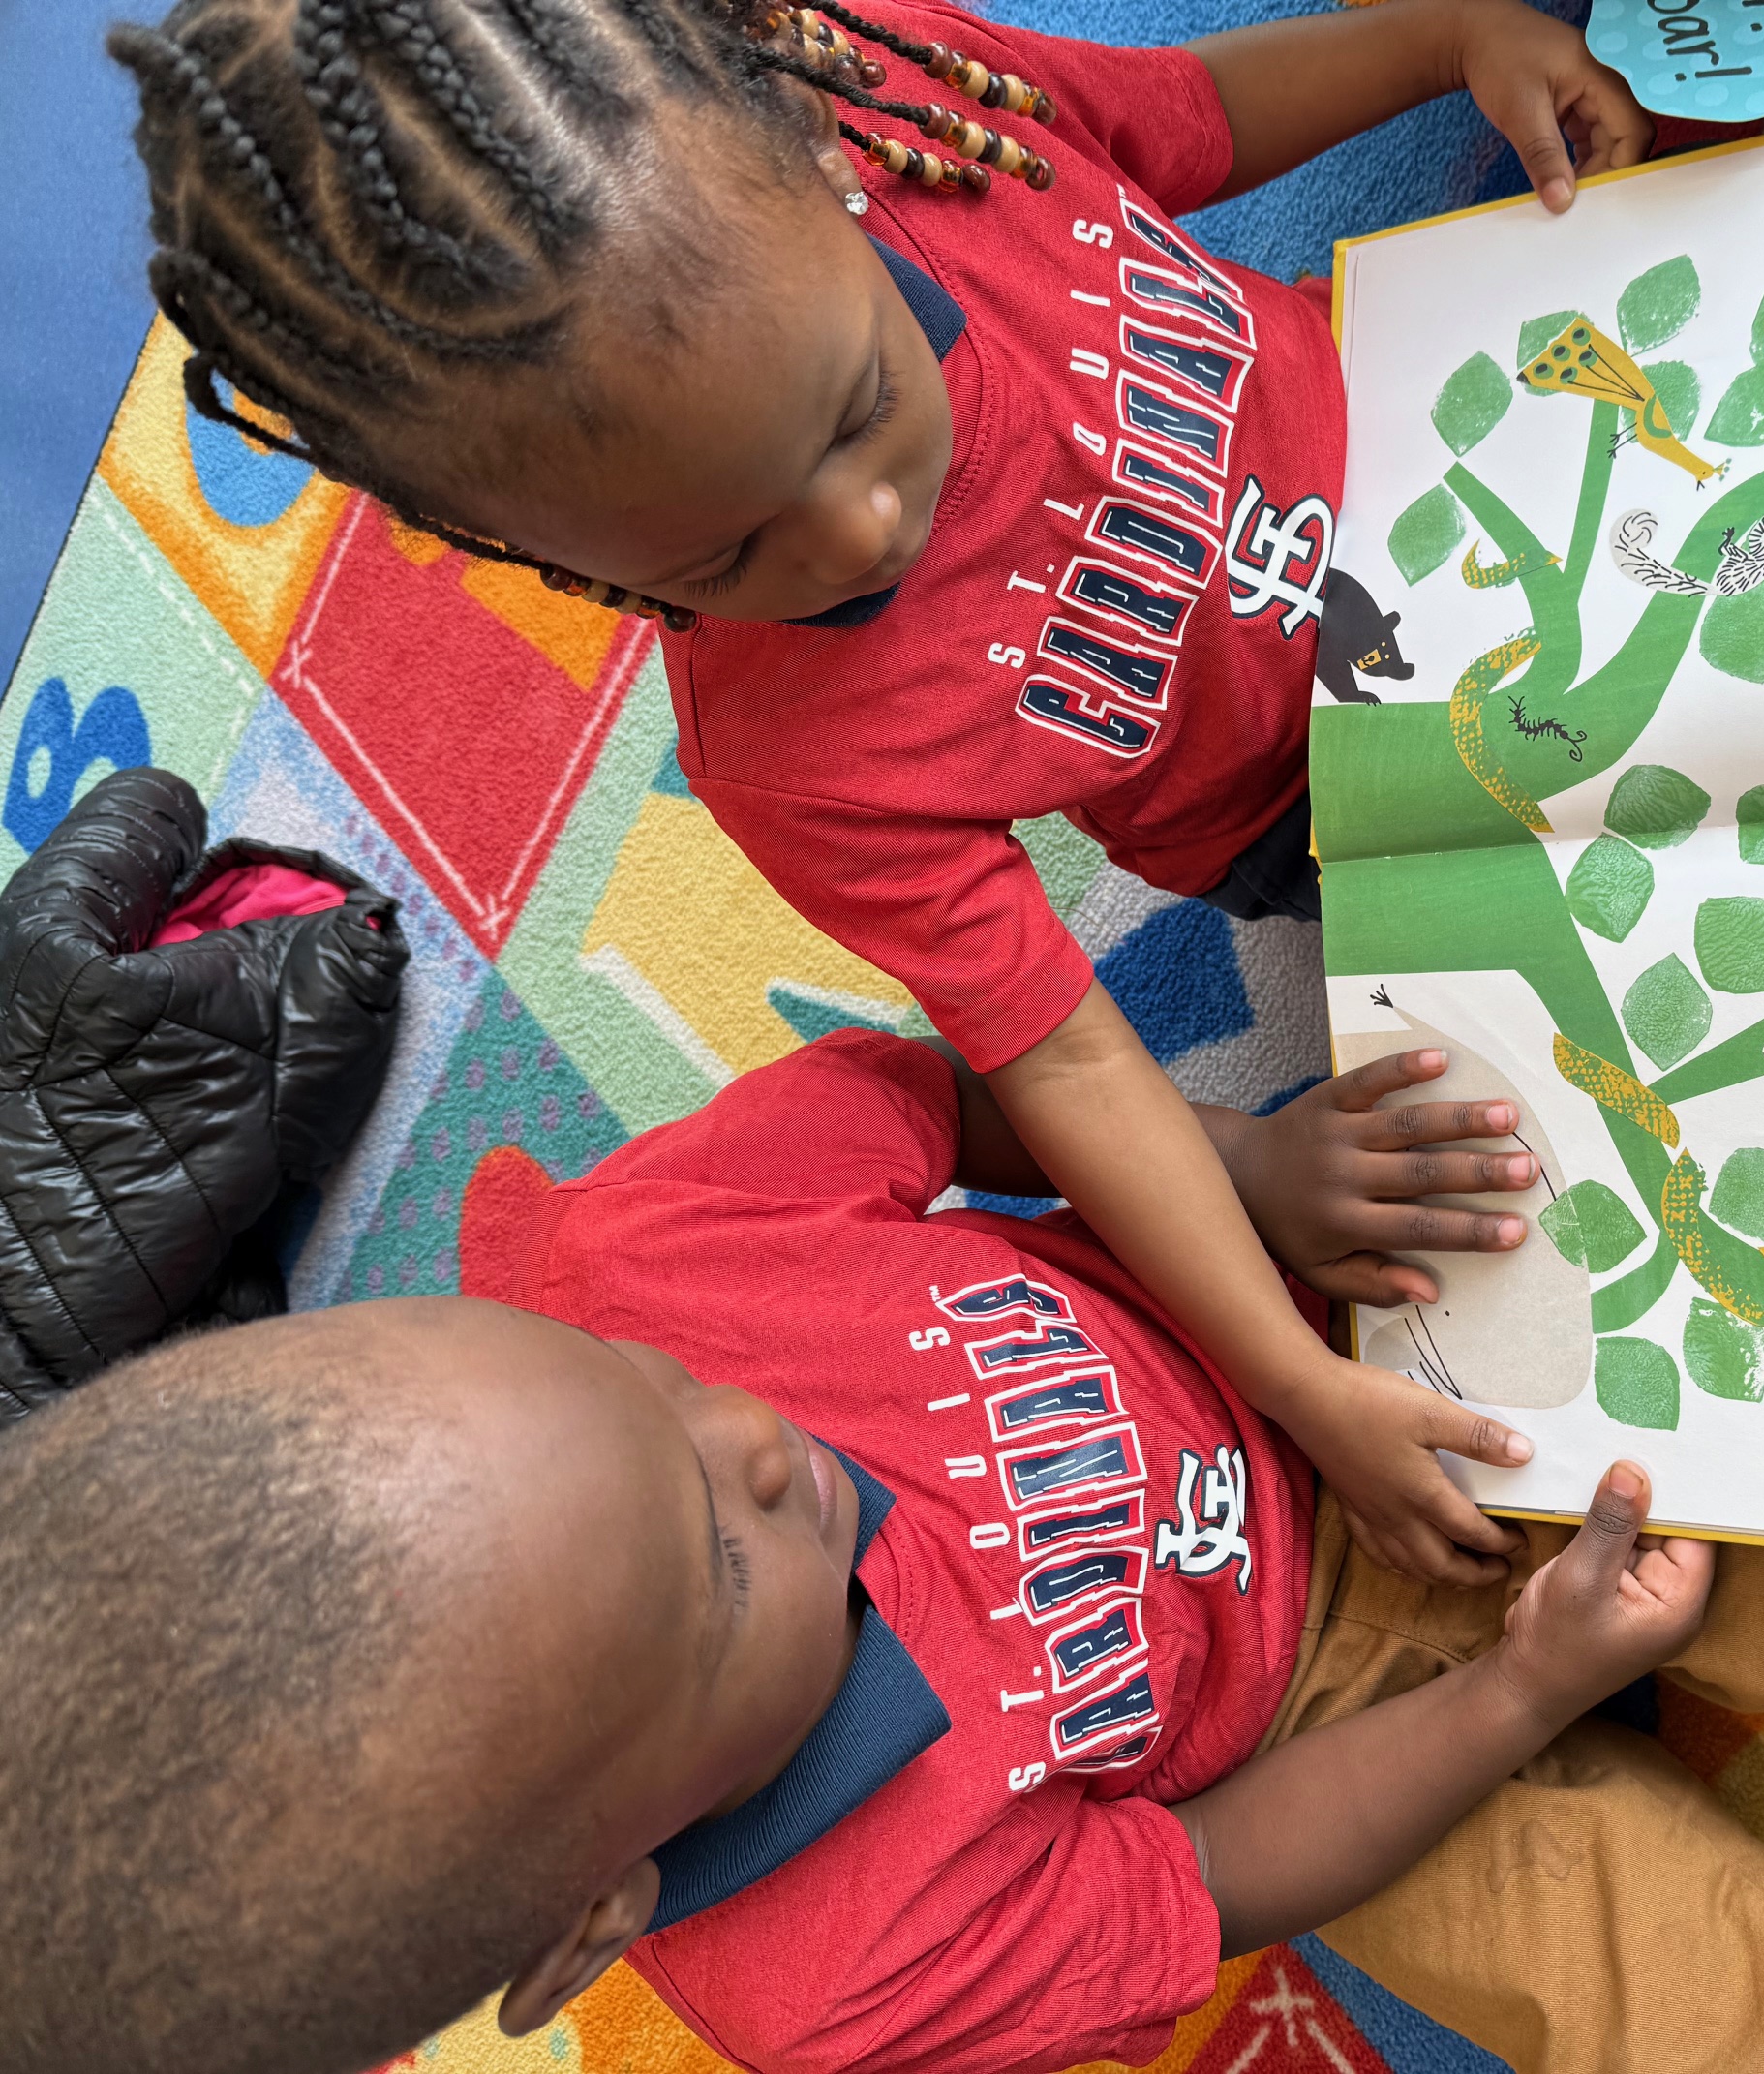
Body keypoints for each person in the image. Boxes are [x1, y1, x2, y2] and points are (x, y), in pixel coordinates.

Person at [4, 1029, 1764, 2074]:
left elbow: (951, 1103)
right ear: (602, 1897)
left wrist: (1241, 1172)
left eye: (641, 1393)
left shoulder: (645, 1250)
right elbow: (1208, 1871)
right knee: (1697, 2024)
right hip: (1337, 1747)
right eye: (717, 1579)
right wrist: (1516, 1679)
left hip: (1348, 1382)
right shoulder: (822, 1959)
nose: (756, 1454)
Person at [107, 0, 1654, 1597]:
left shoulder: (912, 100)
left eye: (860, 407)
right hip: (1325, 822)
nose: (856, 533)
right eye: (722, 558)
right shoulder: (792, 768)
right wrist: (1301, 1381)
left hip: (1462, 463)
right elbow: (1060, 1052)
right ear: (552, 560)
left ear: (830, 159)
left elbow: (1181, 109)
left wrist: (1450, 40)